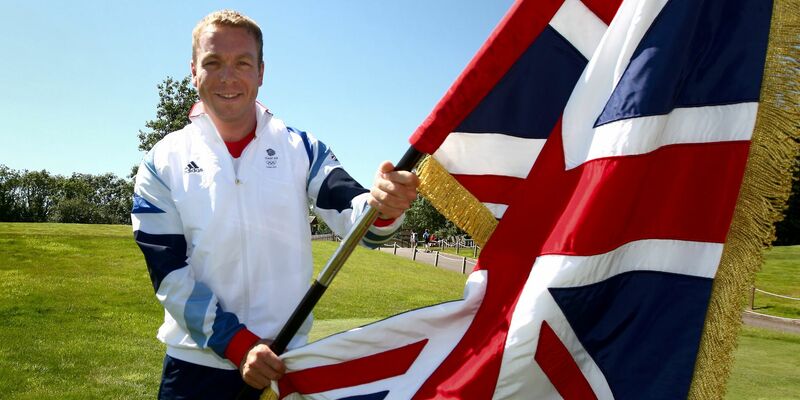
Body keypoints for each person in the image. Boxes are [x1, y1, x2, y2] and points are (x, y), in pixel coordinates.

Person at [130, 10, 419, 399]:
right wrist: (238, 345)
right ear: (193, 70)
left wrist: (385, 205)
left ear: (261, 72)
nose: (228, 77)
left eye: (242, 63)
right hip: (195, 368)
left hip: (285, 363)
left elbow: (357, 217)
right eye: (213, 63)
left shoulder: (302, 148)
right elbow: (169, 274)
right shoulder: (161, 161)